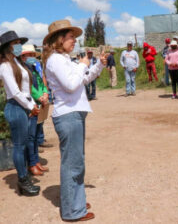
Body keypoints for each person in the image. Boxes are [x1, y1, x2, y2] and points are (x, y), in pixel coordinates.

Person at [42, 19, 108, 221]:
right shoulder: (55, 60)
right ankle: (72, 211)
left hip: (74, 114)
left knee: (75, 161)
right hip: (68, 116)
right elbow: (71, 85)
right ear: (59, 39)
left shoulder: (64, 59)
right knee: (73, 164)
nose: (74, 41)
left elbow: (83, 80)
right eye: (71, 37)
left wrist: (97, 66)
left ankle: (74, 201)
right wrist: (82, 65)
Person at [0, 31, 40, 196]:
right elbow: (15, 92)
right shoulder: (5, 65)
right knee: (19, 146)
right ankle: (23, 180)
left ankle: (24, 178)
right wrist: (31, 106)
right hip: (16, 107)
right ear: (7, 47)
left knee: (23, 144)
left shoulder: (18, 63)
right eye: (15, 43)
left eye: (19, 42)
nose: (18, 46)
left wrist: (31, 104)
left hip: (23, 106)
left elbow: (25, 90)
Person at [21, 44, 49, 176]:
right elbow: (29, 88)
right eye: (29, 55)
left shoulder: (35, 68)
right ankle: (31, 164)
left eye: (33, 55)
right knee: (31, 136)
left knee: (37, 135)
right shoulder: (22, 71)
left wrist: (45, 94)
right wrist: (39, 97)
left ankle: (36, 161)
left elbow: (42, 83)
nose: (32, 57)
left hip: (40, 103)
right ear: (23, 56)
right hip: (31, 106)